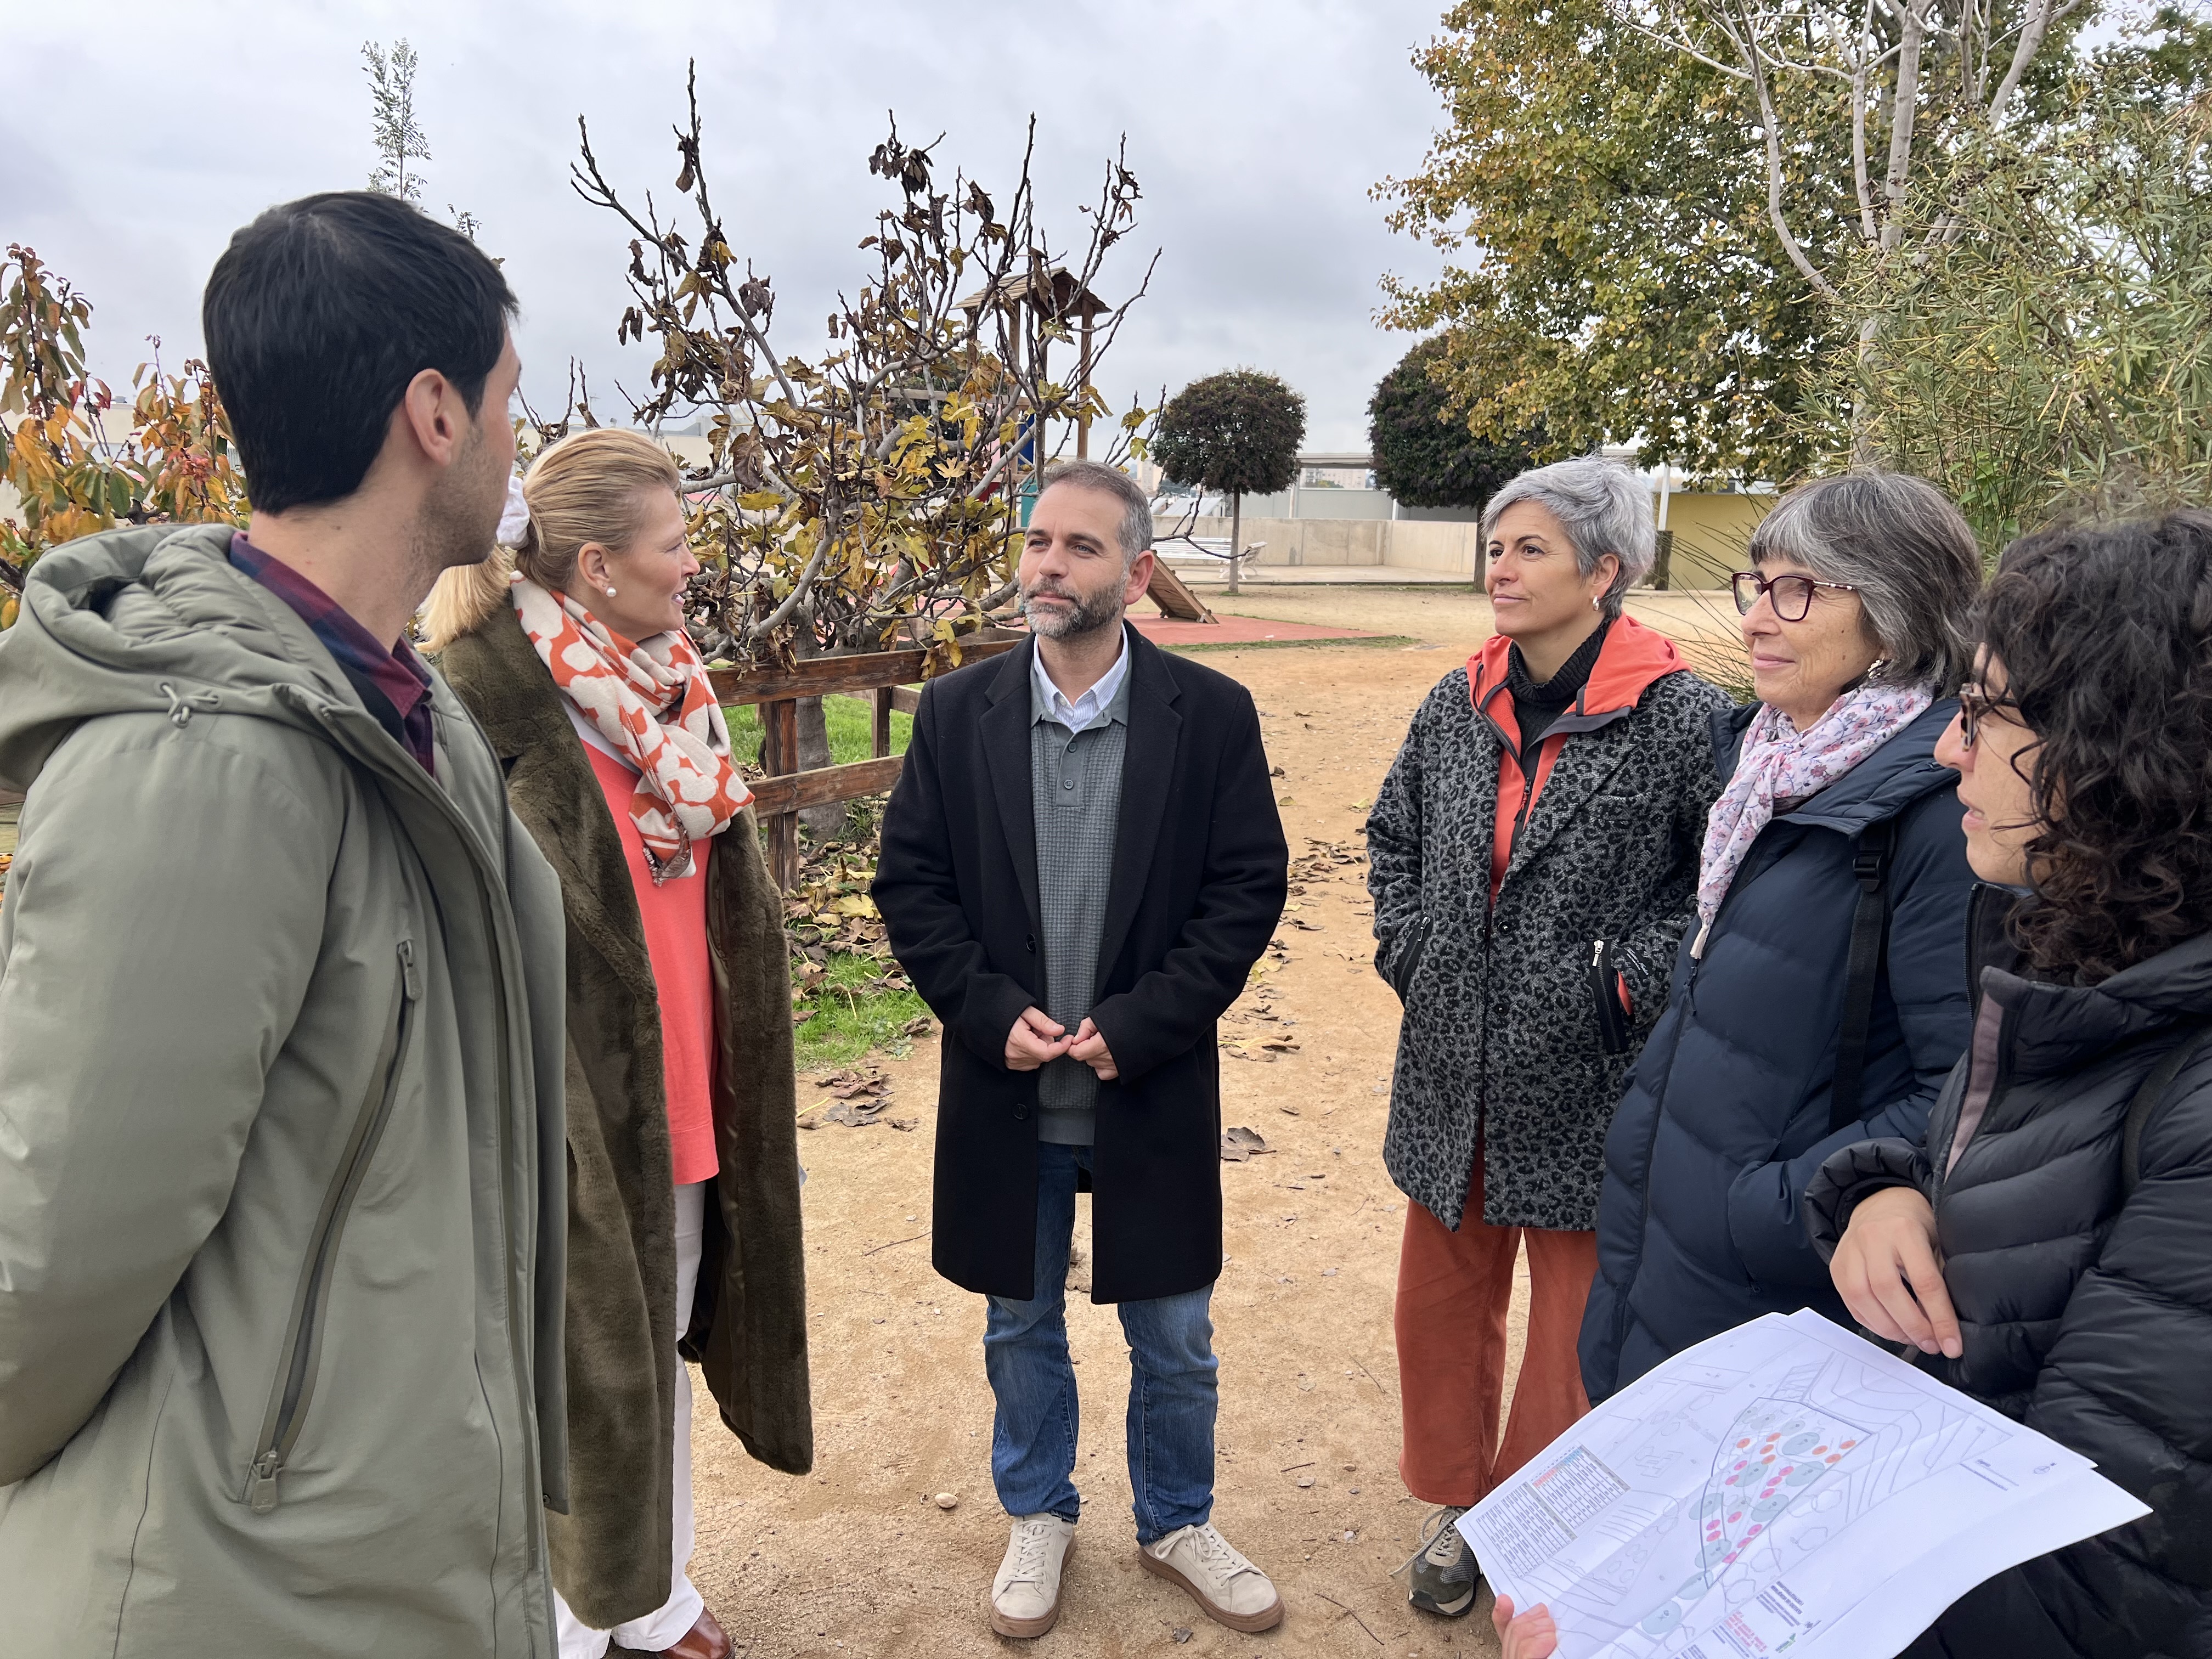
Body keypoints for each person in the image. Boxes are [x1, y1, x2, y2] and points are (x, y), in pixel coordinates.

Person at [0, 191, 569, 1655]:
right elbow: (48, 1258)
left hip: (374, 1555)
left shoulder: (413, 717)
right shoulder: (201, 765)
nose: (518, 440)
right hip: (229, 1589)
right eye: (508, 398)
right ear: (434, 414)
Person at [873, 459, 1288, 1640]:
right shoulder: (958, 713)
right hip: (1006, 1086)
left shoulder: (1210, 715)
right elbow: (913, 884)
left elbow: (1246, 889)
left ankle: (1177, 1520)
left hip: (1148, 1083)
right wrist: (981, 1008)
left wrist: (1147, 1023)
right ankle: (1038, 1513)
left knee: (1176, 1332)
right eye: (1037, 541)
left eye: (1081, 547)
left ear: (1138, 573)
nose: (1047, 565)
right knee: (1019, 1323)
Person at [426, 428, 813, 1659]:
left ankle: (654, 1595)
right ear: (598, 566)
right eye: (676, 543)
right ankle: (559, 1622)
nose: (695, 564)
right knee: (567, 1369)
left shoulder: (670, 685)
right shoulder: (470, 698)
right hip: (563, 1110)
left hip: (689, 1083)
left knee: (651, 1351)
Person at [1807, 512, 2212, 1658]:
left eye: (1985, 714)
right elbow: (2022, 1187)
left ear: (2122, 747)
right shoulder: (2084, 956)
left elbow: (2097, 1578)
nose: (1950, 750)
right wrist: (1880, 1191)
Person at [1365, 456, 1731, 1619]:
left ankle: (1537, 1519)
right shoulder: (1456, 701)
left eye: (1530, 549)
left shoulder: (1681, 717)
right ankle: (1459, 1502)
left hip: (1593, 1072)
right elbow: (1392, 835)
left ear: (1605, 570)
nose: (1501, 569)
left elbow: (1717, 885)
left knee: (1573, 1325)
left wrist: (1620, 986)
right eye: (1495, 547)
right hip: (1452, 1065)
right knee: (1440, 1305)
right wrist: (1412, 949)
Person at [1581, 472, 1983, 1407]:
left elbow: (1967, 1092)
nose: (1757, 618)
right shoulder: (1769, 767)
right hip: (1665, 1256)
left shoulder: (1940, 815)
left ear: (1894, 615)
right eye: (1758, 585)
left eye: (1798, 590)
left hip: (1776, 1294)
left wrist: (1762, 1209)